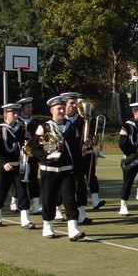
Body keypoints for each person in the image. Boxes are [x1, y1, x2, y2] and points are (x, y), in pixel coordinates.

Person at [29, 96, 85, 241]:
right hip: (49, 170)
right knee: (49, 199)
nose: (61, 111)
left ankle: (73, 229)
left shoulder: (71, 126)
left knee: (69, 199)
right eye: (58, 108)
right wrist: (46, 157)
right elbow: (34, 149)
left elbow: (76, 150)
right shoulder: (44, 127)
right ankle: (48, 226)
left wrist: (79, 169)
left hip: (67, 169)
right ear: (51, 110)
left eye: (63, 108)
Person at [0, 103, 35, 229]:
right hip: (5, 167)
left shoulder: (21, 128)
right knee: (1, 191)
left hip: (19, 166)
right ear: (6, 114)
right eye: (12, 113)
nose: (16, 116)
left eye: (17, 113)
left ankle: (25, 219)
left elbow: (25, 145)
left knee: (22, 192)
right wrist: (4, 164)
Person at [61, 92, 93, 225]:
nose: (74, 106)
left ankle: (82, 213)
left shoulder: (82, 120)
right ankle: (58, 210)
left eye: (76, 103)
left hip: (80, 156)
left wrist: (91, 140)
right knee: (62, 185)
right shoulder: (62, 121)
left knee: (81, 183)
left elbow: (88, 135)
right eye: (71, 103)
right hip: (64, 158)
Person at [16, 97, 42, 214]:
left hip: (32, 155)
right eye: (28, 107)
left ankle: (36, 205)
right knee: (18, 180)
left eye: (31, 107)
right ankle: (15, 201)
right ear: (22, 108)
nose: (30, 109)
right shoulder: (17, 122)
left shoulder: (35, 122)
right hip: (20, 155)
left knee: (33, 179)